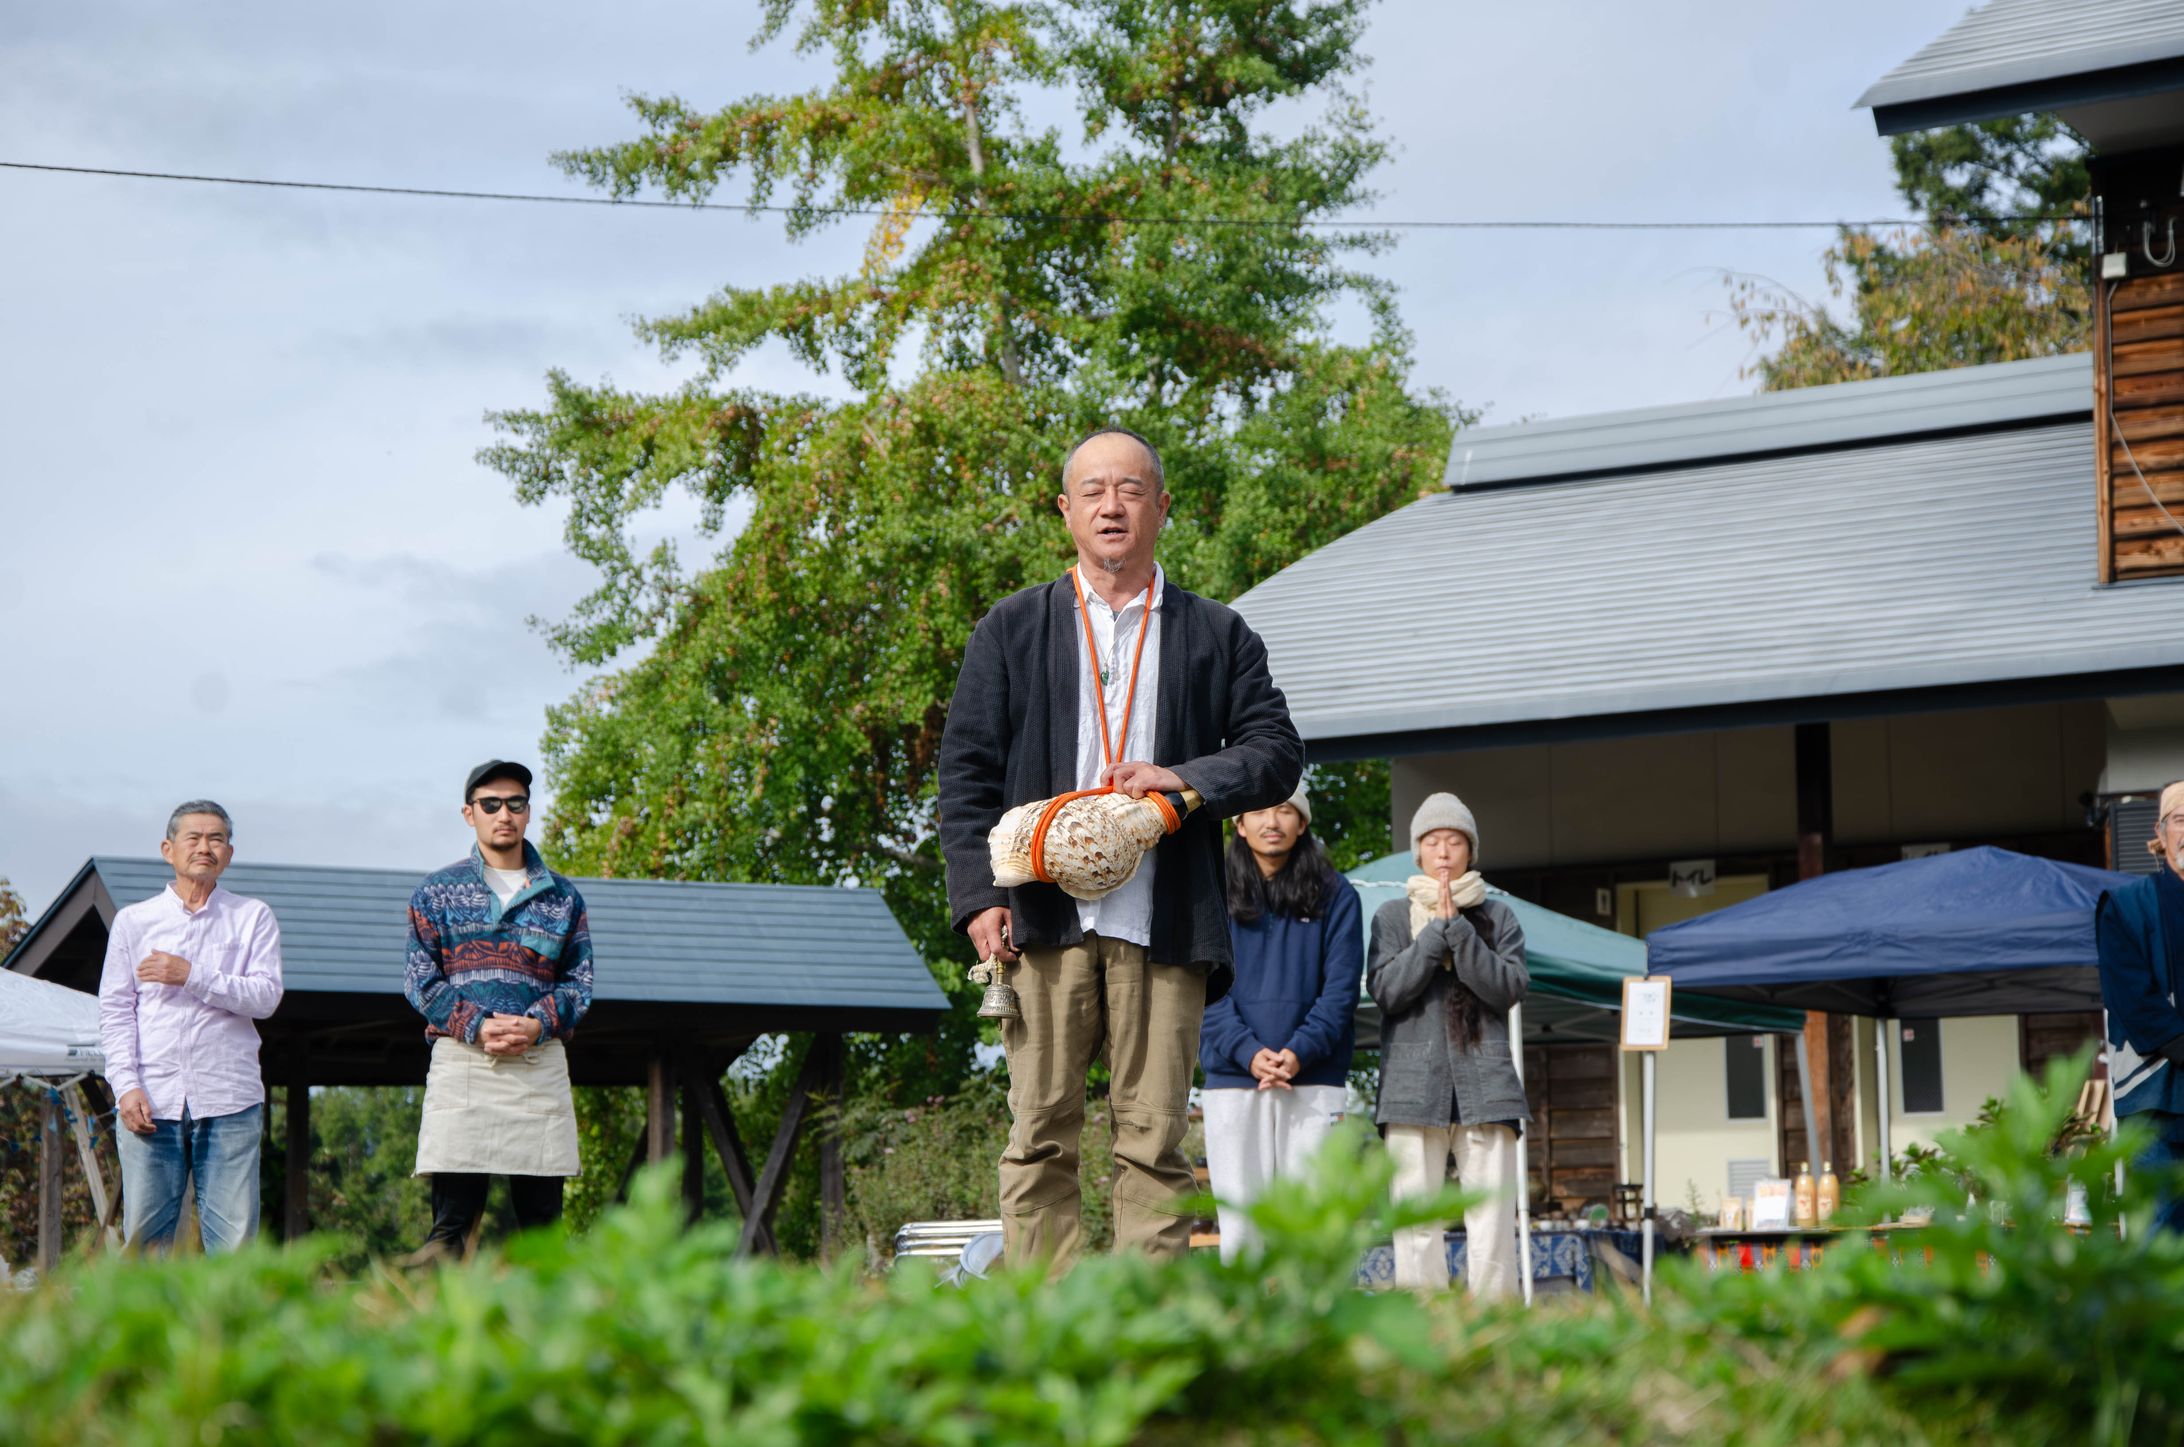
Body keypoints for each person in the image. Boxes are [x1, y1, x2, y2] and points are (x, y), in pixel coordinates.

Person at [938, 425, 1304, 1270]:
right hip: (1040, 918)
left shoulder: (1216, 633)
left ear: (1162, 508)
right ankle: (1046, 1327)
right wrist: (978, 896)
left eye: (1132, 490)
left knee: (1154, 1144)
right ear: (1066, 510)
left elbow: (1277, 750)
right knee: (1038, 1137)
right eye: (1094, 491)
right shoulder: (1012, 627)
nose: (1113, 506)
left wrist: (1181, 778)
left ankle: (1145, 1333)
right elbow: (965, 771)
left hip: (1165, 922)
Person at [404, 760, 594, 1257]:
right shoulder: (435, 892)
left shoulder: (564, 897)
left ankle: (546, 1331)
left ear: (528, 813)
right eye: (491, 804)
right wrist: (476, 1025)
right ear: (470, 813)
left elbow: (579, 982)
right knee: (451, 1227)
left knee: (543, 1228)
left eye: (515, 803)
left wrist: (537, 1024)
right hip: (464, 1061)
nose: (503, 813)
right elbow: (419, 980)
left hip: (538, 1060)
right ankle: (436, 1328)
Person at [97, 800, 285, 1252]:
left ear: (230, 853)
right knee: (144, 1242)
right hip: (150, 1100)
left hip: (229, 1100)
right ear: (168, 849)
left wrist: (191, 974)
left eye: (216, 838)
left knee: (235, 1244)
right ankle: (145, 1326)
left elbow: (266, 997)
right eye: (194, 838)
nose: (205, 847)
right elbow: (116, 1010)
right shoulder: (134, 921)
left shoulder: (252, 916)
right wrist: (125, 1086)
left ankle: (231, 1326)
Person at [1366, 792, 1529, 1296]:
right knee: (1415, 1224)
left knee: (1492, 1223)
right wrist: (1435, 934)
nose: (1443, 852)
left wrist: (1459, 930)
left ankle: (1495, 1330)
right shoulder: (1392, 916)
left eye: (1454, 841)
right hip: (1412, 1088)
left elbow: (1508, 987)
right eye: (1432, 841)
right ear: (1417, 852)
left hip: (1488, 1086)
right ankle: (1425, 1330)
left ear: (1470, 852)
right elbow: (1387, 990)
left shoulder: (1499, 917)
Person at [1199, 780, 1362, 1262]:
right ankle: (1245, 1333)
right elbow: (1200, 986)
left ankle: (1316, 1331)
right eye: (1261, 812)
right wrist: (1247, 1053)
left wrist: (1298, 1052)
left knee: (1314, 1221)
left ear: (1303, 823)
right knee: (1241, 1221)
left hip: (1315, 1079)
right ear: (1240, 825)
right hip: (1232, 1080)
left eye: (1286, 810)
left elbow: (1341, 990)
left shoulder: (1337, 894)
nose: (1273, 821)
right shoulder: (1211, 892)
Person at [2096, 778, 2184, 1233]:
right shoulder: (2125, 906)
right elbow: (2130, 997)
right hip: (2155, 1098)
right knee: (2161, 1238)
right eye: (2181, 819)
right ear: (2161, 832)